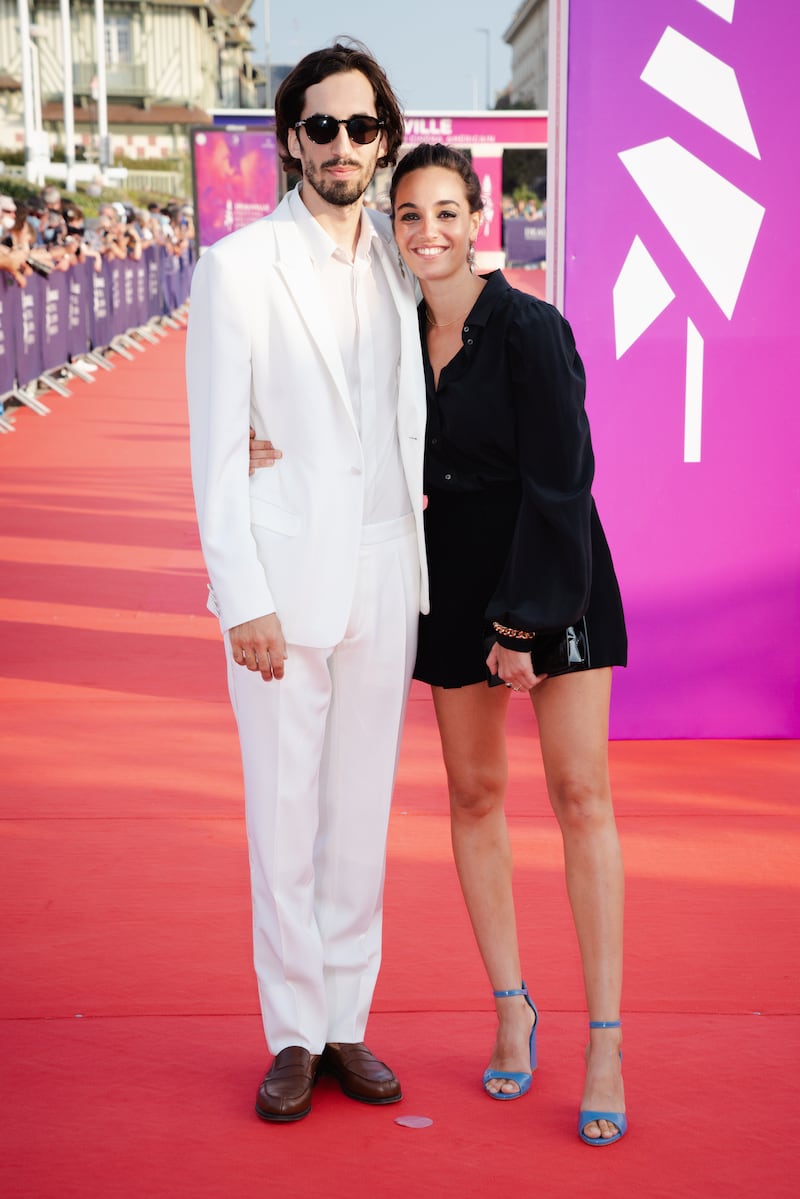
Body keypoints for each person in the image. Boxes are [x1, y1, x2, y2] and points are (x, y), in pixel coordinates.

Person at [251, 143, 628, 1145]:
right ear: (392, 224)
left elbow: (563, 481)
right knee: (472, 795)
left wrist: (521, 626)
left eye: (445, 213)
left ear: (479, 218)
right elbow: (337, 431)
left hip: (552, 566)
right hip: (451, 571)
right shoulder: (390, 333)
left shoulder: (530, 329)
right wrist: (260, 436)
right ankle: (510, 1005)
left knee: (579, 795)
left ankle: (602, 1037)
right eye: (407, 215)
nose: (426, 233)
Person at [185, 41, 428, 1125]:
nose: (341, 146)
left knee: (358, 814)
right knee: (284, 818)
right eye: (320, 127)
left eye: (361, 127)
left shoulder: (397, 256)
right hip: (281, 585)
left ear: (383, 140)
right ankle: (288, 1030)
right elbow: (212, 451)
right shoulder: (237, 269)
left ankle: (343, 1019)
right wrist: (241, 594)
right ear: (290, 137)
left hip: (385, 569)